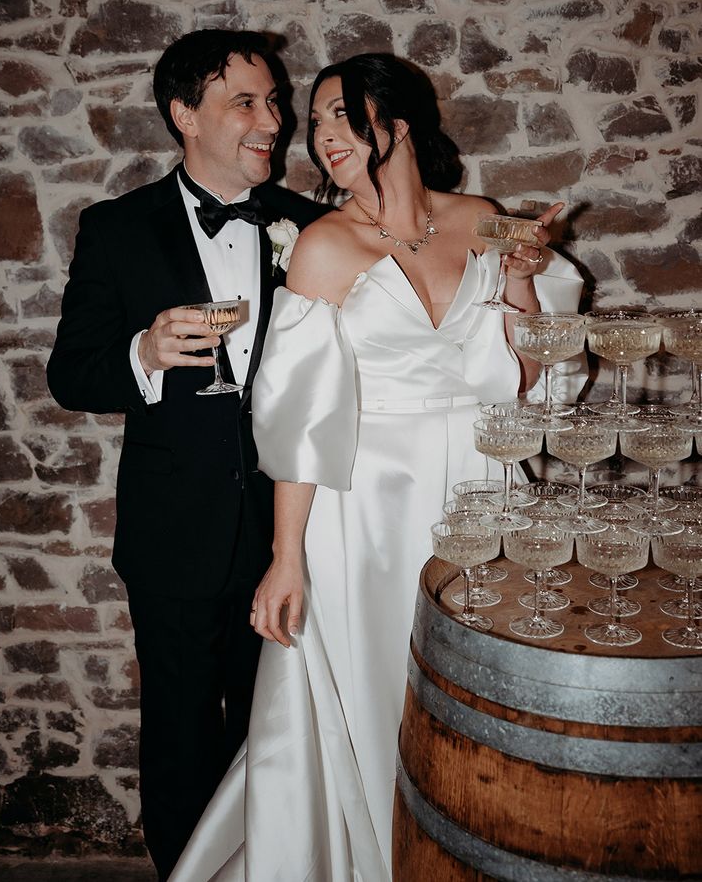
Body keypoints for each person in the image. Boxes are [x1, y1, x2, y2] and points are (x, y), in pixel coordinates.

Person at [169, 53, 585, 882]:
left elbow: (527, 377)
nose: (320, 135)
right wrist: (287, 558)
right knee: (375, 699)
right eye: (315, 120)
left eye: (338, 115)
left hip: (483, 490)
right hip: (365, 512)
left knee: (485, 700)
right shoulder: (324, 247)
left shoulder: (483, 218)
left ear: (395, 125)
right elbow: (296, 422)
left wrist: (525, 280)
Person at [46, 29, 326, 881]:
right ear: (183, 115)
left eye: (275, 101)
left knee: (276, 733)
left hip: (296, 536)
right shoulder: (117, 229)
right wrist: (144, 353)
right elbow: (71, 374)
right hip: (173, 532)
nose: (271, 120)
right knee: (177, 735)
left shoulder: (314, 230)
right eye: (247, 101)